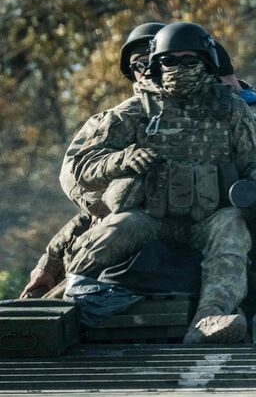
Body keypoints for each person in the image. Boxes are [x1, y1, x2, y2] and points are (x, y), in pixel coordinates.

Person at [68, 22, 256, 344]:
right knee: (117, 228)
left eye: (189, 61)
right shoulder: (137, 110)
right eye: (170, 61)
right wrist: (122, 160)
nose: (179, 68)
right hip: (152, 218)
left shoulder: (230, 110)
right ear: (157, 65)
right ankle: (69, 301)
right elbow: (82, 164)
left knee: (233, 226)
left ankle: (210, 317)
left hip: (209, 218)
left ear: (206, 62)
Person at [20, 22, 167, 299]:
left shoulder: (211, 113)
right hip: (115, 243)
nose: (147, 70)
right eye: (139, 64)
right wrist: (51, 259)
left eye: (155, 60)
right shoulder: (114, 121)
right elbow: (90, 199)